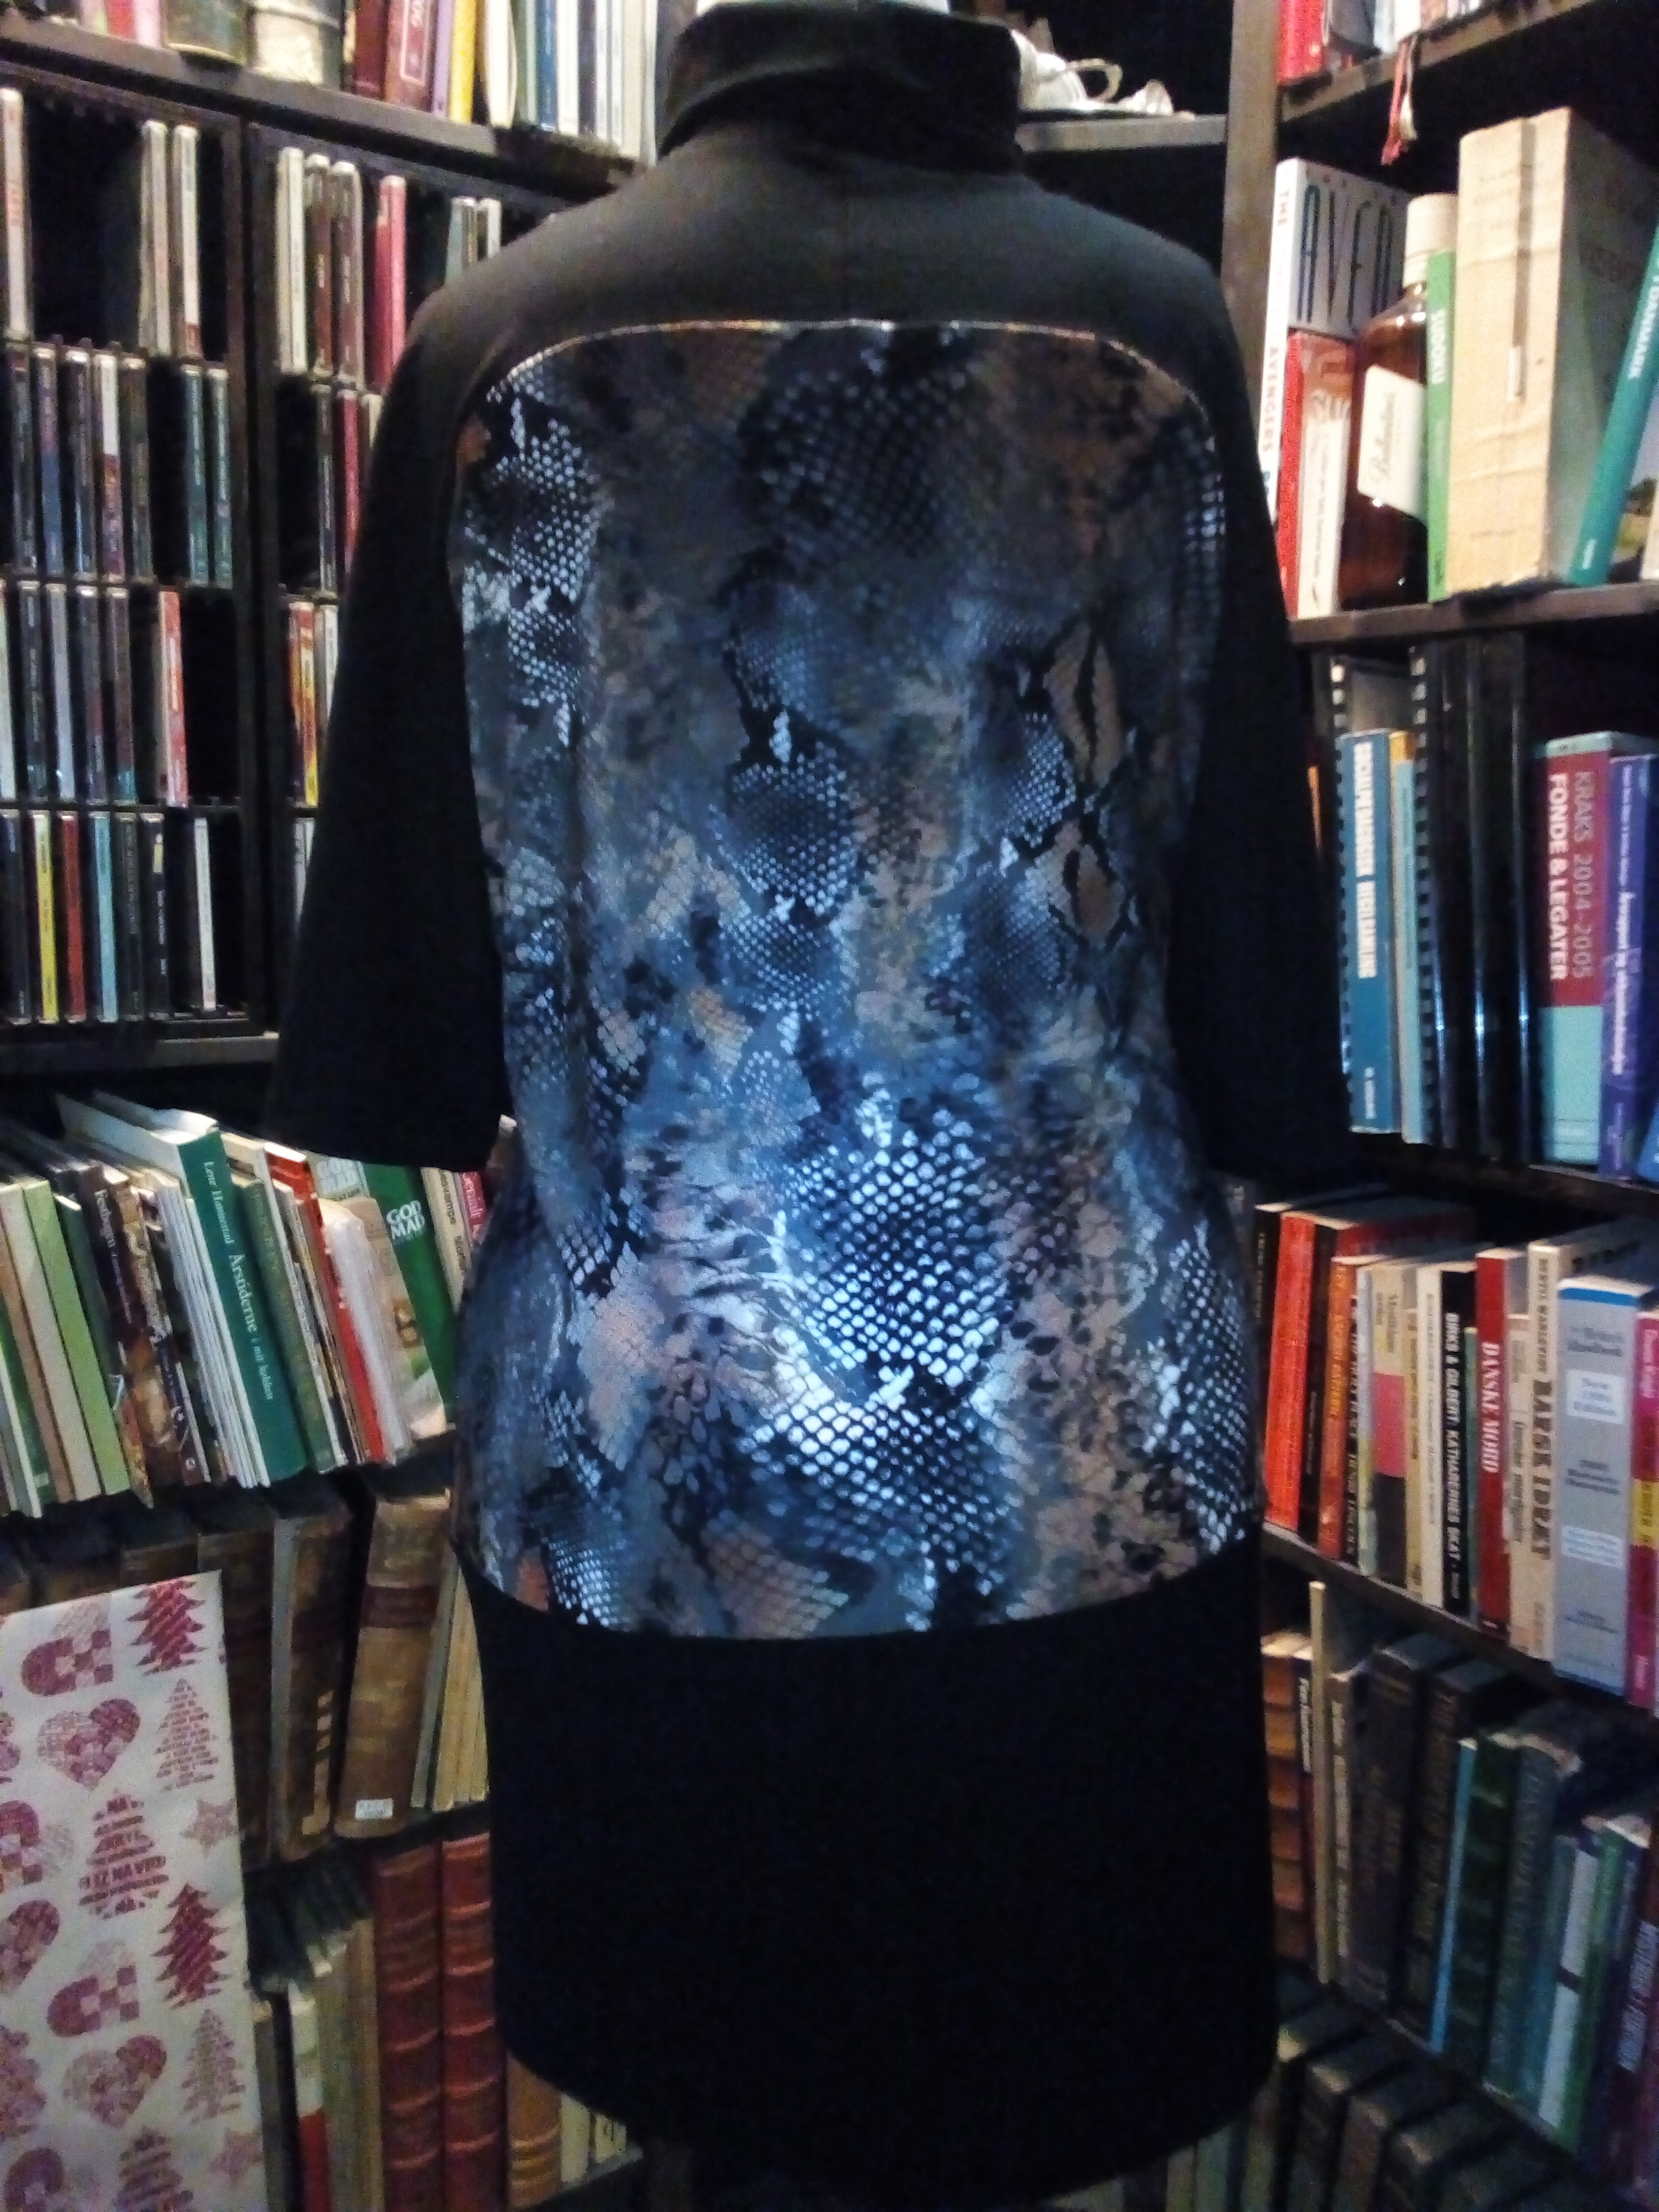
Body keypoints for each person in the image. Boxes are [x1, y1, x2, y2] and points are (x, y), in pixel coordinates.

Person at [266, 3, 1349, 2204]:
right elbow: (1244, 912)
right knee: (1040, 2069)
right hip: (1076, 1435)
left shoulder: (492, 339)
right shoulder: (1153, 323)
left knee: (719, 2093)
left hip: (644, 1441)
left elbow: (399, 1005)